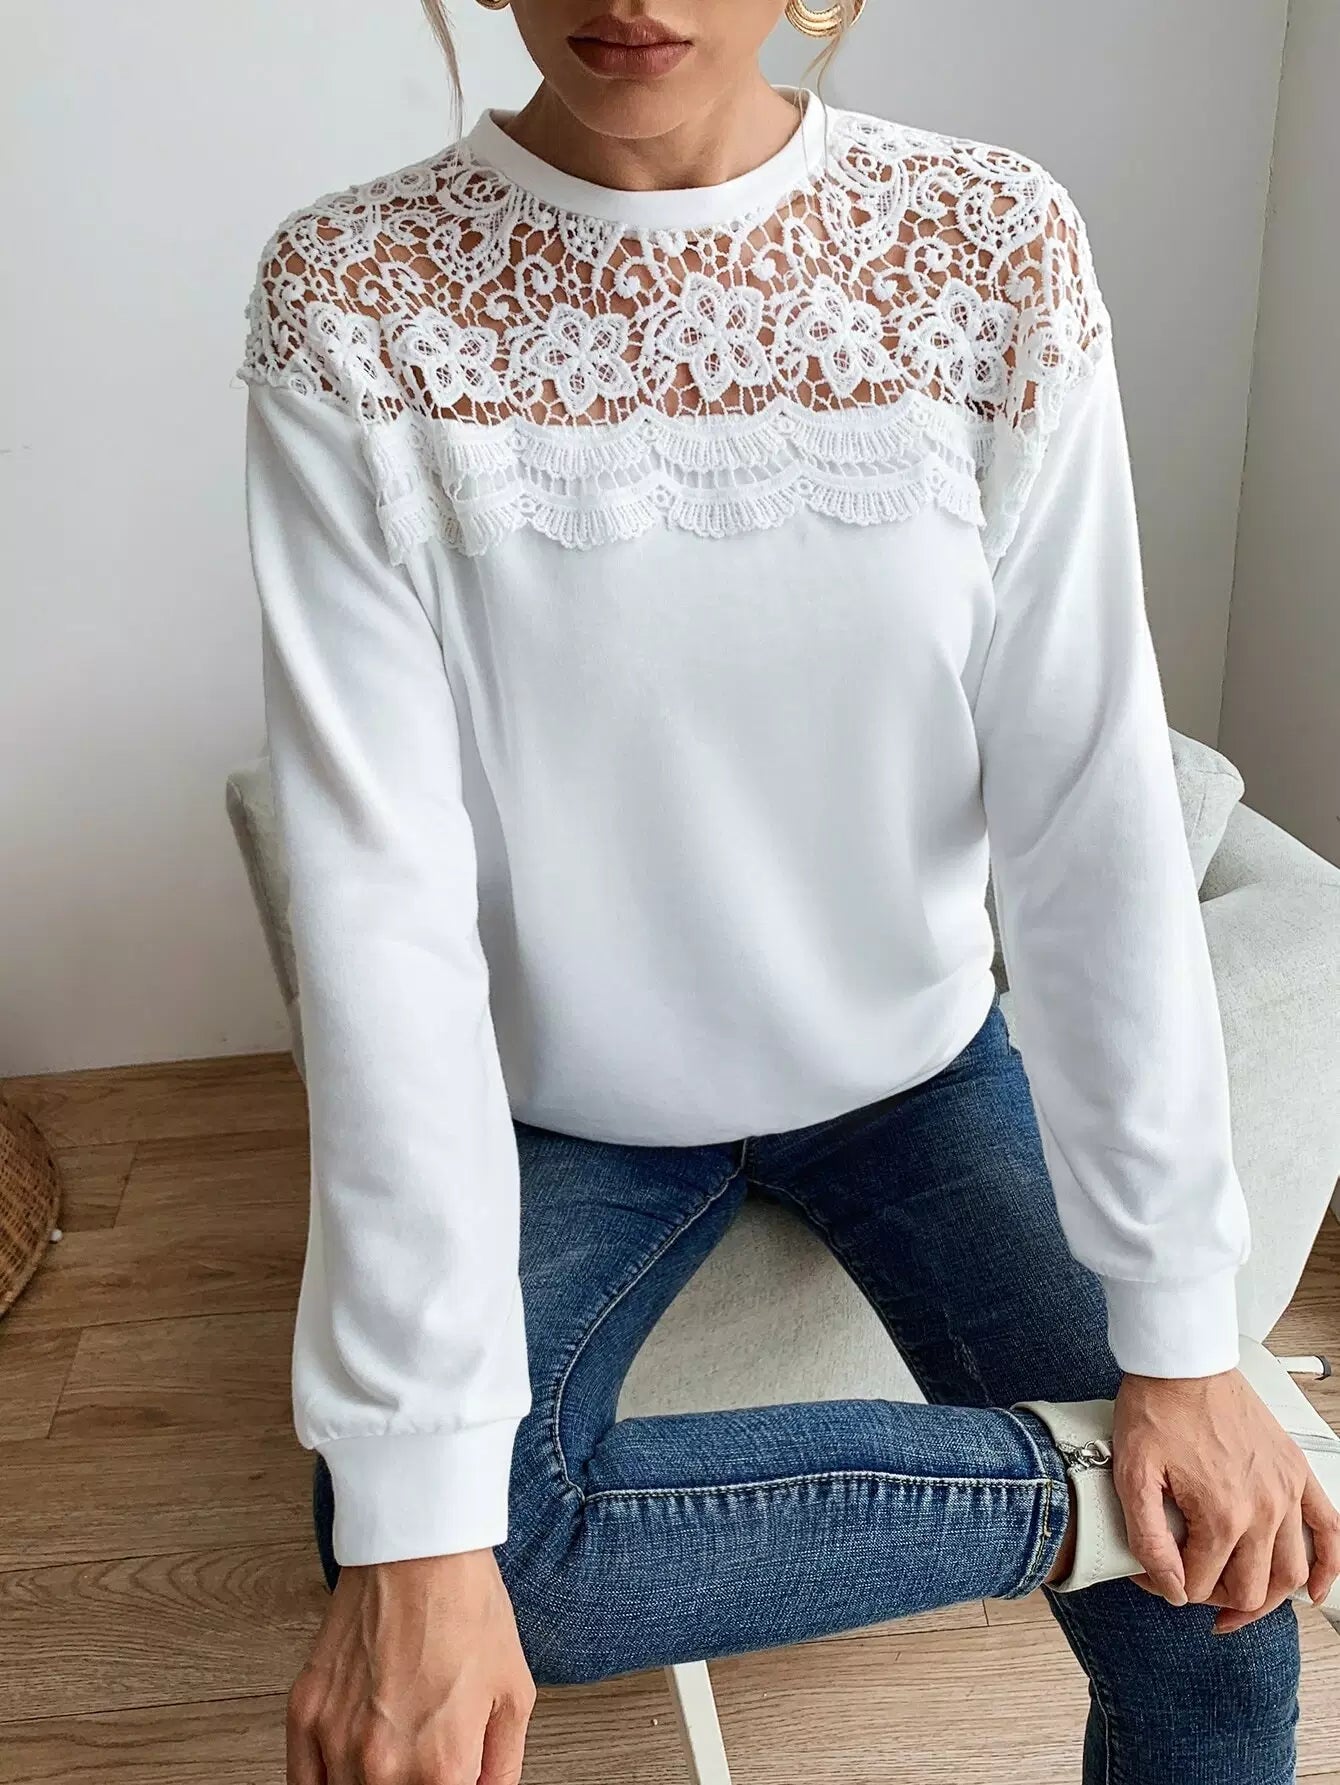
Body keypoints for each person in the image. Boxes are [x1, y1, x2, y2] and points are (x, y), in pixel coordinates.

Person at [237, 3, 1340, 1781]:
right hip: (564, 1110)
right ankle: (1074, 1505)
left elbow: (1088, 804)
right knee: (443, 1539)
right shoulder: (355, 296)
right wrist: (1104, 1480)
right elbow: (381, 904)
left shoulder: (988, 244)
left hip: (916, 1068)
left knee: (1222, 1641)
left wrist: (1190, 1339)